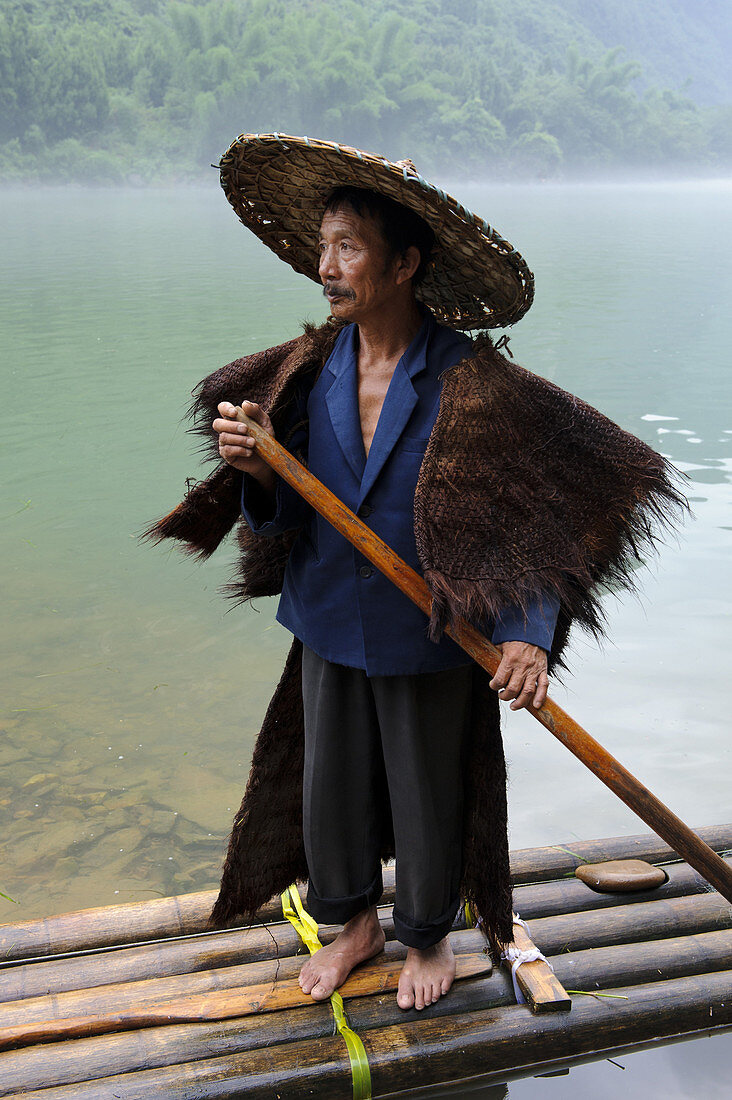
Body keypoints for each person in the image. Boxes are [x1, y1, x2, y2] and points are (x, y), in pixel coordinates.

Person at [147, 134, 682, 1013]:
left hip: (428, 629)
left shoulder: (473, 385)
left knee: (429, 785)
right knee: (333, 781)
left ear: (405, 264)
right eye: (322, 246)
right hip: (326, 616)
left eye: (347, 246)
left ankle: (427, 934)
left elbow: (528, 525)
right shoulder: (306, 369)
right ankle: (352, 920)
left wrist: (525, 637)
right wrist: (255, 475)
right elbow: (288, 513)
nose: (326, 265)